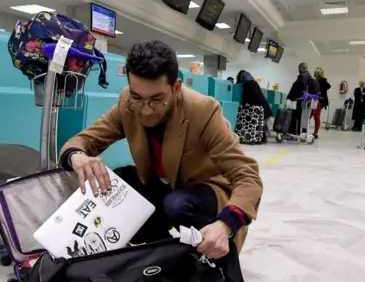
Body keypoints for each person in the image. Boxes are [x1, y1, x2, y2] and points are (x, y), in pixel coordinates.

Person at [59, 40, 263, 258]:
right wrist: (77, 156)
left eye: (157, 99)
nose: (146, 110)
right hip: (164, 187)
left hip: (205, 191)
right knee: (119, 181)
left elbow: (248, 176)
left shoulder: (203, 110)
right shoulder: (127, 103)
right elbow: (85, 140)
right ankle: (157, 254)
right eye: (138, 98)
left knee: (176, 204)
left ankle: (208, 261)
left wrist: (226, 224)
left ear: (176, 87)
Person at [236, 70, 273, 141]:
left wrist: (247, 103)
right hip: (264, 108)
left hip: (259, 109)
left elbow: (247, 96)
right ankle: (262, 138)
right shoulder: (254, 83)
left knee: (258, 125)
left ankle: (260, 138)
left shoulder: (248, 85)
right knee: (261, 125)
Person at [286, 62, 318, 136]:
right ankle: (304, 132)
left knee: (299, 116)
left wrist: (290, 97)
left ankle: (298, 132)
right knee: (306, 117)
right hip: (309, 101)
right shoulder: (311, 77)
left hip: (302, 101)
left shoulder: (302, 77)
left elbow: (295, 87)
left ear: (301, 69)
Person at [312, 67, 331, 138]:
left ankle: (316, 132)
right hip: (314, 100)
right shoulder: (315, 81)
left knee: (316, 116)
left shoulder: (323, 82)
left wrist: (320, 92)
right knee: (312, 116)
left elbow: (328, 86)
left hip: (319, 101)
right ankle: (312, 131)